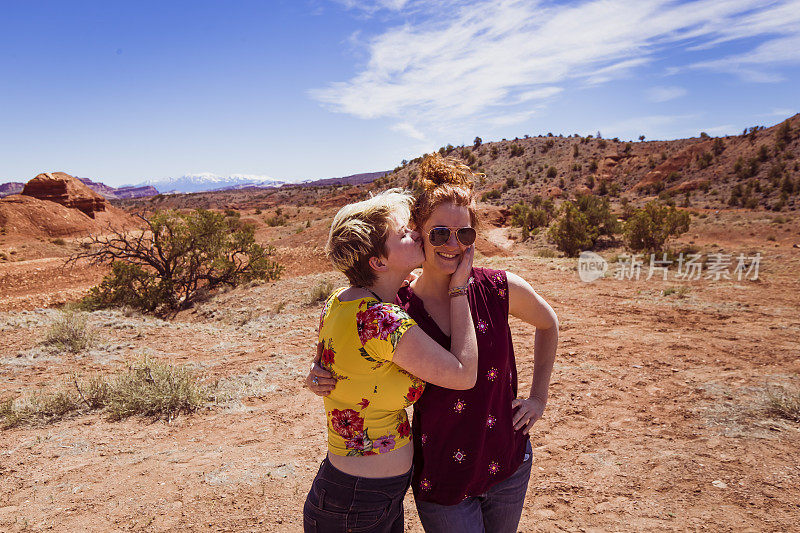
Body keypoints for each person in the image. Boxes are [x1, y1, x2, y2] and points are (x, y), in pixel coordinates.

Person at [307, 154, 559, 532]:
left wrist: (539, 397)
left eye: (465, 234)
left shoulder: (499, 288)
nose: (453, 245)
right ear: (419, 232)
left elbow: (549, 324)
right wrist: (319, 372)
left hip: (507, 461)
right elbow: (354, 345)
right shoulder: (397, 309)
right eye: (440, 233)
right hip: (442, 477)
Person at [303, 189, 479, 533]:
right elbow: (464, 374)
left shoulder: (340, 301)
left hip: (356, 495)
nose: (416, 233)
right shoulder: (382, 320)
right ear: (379, 262)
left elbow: (333, 364)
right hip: (358, 502)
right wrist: (458, 289)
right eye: (403, 234)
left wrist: (314, 373)